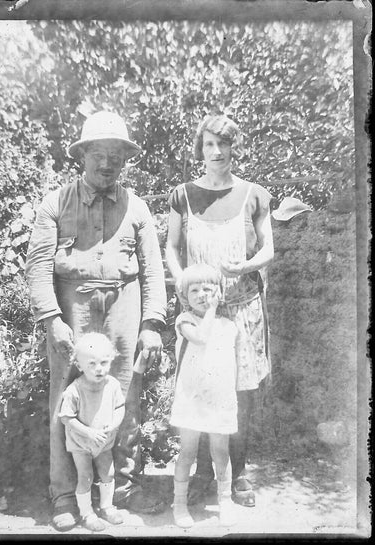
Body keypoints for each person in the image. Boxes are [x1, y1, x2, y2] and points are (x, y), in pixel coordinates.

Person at [26, 111, 167, 531]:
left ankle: (119, 489)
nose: (106, 163)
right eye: (98, 154)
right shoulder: (55, 203)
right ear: (82, 155)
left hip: (124, 305)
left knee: (124, 391)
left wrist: (151, 323)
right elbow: (36, 268)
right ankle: (66, 495)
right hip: (73, 306)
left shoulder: (136, 207)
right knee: (65, 397)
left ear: (124, 159)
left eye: (115, 155)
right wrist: (51, 317)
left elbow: (153, 269)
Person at [166, 114, 274, 508]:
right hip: (200, 313)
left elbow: (268, 248)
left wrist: (246, 266)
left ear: (233, 148)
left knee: (238, 392)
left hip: (243, 309)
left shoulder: (254, 194)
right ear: (201, 150)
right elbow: (171, 249)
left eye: (223, 144)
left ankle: (238, 473)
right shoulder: (182, 196)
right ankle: (201, 475)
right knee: (200, 385)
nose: (217, 152)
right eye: (209, 144)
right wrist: (182, 283)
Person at [170, 264, 238, 527]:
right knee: (187, 451)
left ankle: (225, 502)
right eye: (194, 290)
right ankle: (179, 505)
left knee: (220, 451)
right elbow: (200, 338)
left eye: (208, 289)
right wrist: (211, 310)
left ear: (218, 292)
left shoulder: (228, 325)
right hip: (192, 397)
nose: (201, 294)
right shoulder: (185, 320)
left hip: (219, 398)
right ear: (185, 296)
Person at [59, 333, 125, 531]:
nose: (99, 368)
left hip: (104, 442)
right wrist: (87, 432)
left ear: (111, 361)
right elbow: (66, 417)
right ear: (79, 366)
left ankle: (107, 507)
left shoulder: (112, 385)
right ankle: (86, 514)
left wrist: (114, 423)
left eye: (104, 362)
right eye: (92, 364)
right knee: (85, 476)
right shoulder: (74, 389)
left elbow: (120, 407)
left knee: (108, 473)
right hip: (81, 443)